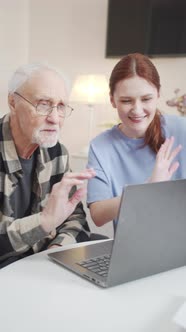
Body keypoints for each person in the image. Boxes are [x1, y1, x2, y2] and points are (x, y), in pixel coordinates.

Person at [0, 63, 95, 268]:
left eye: (61, 106)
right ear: (12, 102)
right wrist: (44, 221)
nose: (54, 118)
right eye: (43, 104)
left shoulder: (56, 152)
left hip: (41, 265)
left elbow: (75, 217)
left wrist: (58, 250)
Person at [87, 53, 186, 229]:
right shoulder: (101, 146)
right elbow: (98, 215)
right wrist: (148, 188)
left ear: (158, 94)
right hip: (133, 250)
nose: (137, 110)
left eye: (146, 99)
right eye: (126, 101)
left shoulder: (181, 130)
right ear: (112, 100)